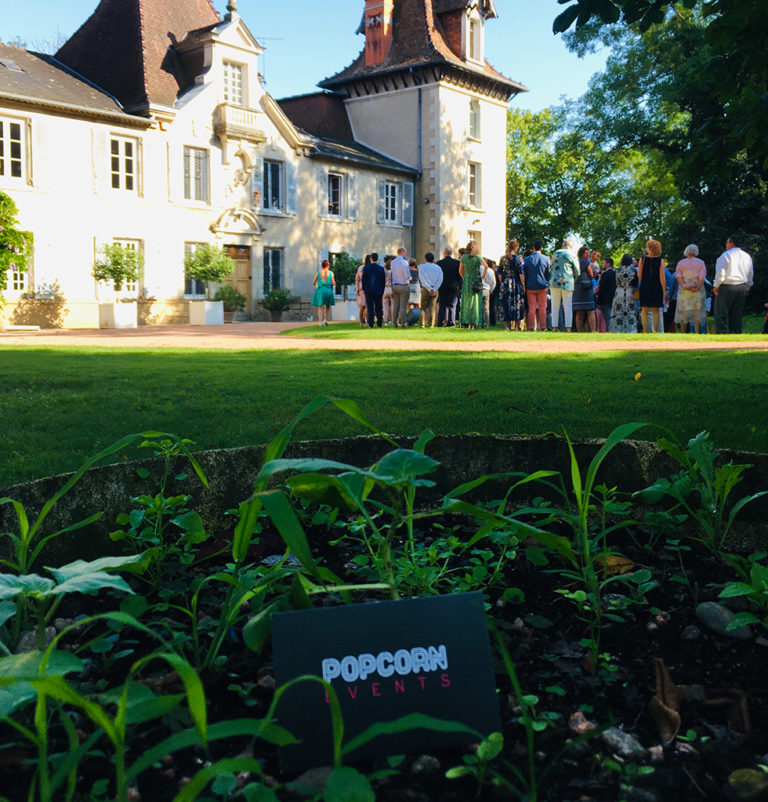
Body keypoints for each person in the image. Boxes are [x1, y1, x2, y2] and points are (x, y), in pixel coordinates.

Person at [713, 235, 753, 334]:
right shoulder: (746, 256)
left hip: (727, 286)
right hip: (741, 286)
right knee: (737, 313)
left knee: (721, 312)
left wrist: (716, 285)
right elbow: (750, 272)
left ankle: (722, 333)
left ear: (732, 243)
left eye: (727, 242)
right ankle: (736, 333)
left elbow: (721, 272)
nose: (726, 245)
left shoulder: (726, 255)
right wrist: (748, 285)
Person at [674, 244, 707, 334]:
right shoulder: (701, 262)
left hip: (684, 290)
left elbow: (678, 276)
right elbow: (702, 277)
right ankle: (697, 332)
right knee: (697, 312)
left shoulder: (680, 263)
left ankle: (683, 332)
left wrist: (684, 285)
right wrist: (697, 287)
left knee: (683, 311)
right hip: (697, 288)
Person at [549, 238, 580, 331]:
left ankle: (554, 326)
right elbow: (577, 270)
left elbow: (550, 268)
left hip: (554, 281)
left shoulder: (555, 253)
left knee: (554, 305)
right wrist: (573, 277)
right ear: (571, 246)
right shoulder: (572, 254)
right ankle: (568, 327)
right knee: (567, 305)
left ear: (563, 245)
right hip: (567, 281)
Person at [638, 239, 666, 333]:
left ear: (650, 248)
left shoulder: (642, 259)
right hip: (656, 286)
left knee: (645, 309)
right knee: (656, 310)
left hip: (645, 286)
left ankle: (645, 330)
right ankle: (655, 330)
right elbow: (662, 277)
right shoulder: (661, 261)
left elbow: (639, 275)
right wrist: (664, 291)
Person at [458, 239, 487, 328]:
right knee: (476, 301)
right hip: (475, 279)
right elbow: (486, 266)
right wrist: (482, 276)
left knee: (466, 301)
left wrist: (465, 278)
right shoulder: (478, 257)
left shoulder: (463, 257)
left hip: (467, 280)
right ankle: (475, 321)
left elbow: (460, 271)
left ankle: (466, 321)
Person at [498, 240, 525, 330]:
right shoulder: (518, 258)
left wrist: (503, 282)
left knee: (506, 303)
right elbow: (521, 273)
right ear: (516, 247)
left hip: (505, 282)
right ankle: (517, 326)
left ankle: (506, 326)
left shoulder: (503, 258)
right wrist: (523, 284)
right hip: (516, 282)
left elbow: (499, 272)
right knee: (516, 303)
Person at [523, 240, 550, 331]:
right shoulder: (546, 259)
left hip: (530, 286)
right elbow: (548, 273)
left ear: (533, 248)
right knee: (542, 308)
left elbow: (525, 273)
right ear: (541, 248)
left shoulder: (527, 259)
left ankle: (531, 326)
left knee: (531, 308)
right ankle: (542, 326)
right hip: (542, 286)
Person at [609, 254, 638, 333]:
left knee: (619, 312)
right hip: (630, 292)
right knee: (630, 312)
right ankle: (630, 330)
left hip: (620, 292)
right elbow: (636, 283)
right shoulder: (634, 270)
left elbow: (616, 282)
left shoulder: (618, 270)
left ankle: (618, 329)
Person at [573, 245, 597, 332]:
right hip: (586, 287)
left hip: (577, 286)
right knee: (590, 310)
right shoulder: (586, 262)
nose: (587, 255)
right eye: (586, 253)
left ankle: (579, 331)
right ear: (582, 254)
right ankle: (593, 330)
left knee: (579, 311)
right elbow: (590, 274)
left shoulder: (575, 261)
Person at [436, 246, 461, 327]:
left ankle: (440, 321)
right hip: (453, 287)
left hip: (442, 286)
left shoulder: (439, 263)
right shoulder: (457, 263)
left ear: (444, 253)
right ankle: (451, 322)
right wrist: (459, 285)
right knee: (452, 306)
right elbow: (459, 276)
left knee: (442, 305)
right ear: (451, 253)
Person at [418, 251, 443, 328]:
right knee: (432, 307)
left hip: (425, 288)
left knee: (423, 308)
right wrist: (434, 288)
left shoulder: (422, 267)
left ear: (425, 259)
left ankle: (422, 324)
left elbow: (422, 279)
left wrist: (429, 288)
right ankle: (431, 324)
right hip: (435, 288)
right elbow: (440, 279)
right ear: (433, 259)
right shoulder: (438, 268)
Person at [362, 251, 386, 328]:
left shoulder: (366, 268)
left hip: (369, 290)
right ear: (377, 258)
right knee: (379, 307)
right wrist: (382, 290)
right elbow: (383, 281)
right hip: (378, 290)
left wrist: (363, 288)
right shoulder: (381, 269)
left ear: (371, 258)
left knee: (370, 308)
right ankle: (379, 323)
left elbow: (364, 279)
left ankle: (370, 324)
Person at [390, 247, 411, 327]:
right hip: (403, 285)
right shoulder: (404, 262)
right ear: (403, 252)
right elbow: (407, 275)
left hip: (395, 285)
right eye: (405, 252)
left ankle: (394, 322)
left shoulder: (393, 262)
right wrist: (410, 278)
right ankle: (403, 323)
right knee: (403, 306)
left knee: (396, 306)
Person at [311, 259, 335, 325]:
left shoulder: (319, 272)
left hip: (320, 290)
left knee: (320, 307)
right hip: (328, 291)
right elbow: (333, 283)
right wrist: (332, 283)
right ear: (328, 265)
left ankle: (320, 322)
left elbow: (313, 282)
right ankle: (325, 319)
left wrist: (317, 286)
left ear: (322, 265)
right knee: (327, 306)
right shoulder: (331, 273)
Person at [595, 256, 616, 330]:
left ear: (608, 264)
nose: (602, 265)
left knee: (607, 317)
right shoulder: (615, 273)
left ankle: (610, 331)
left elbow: (602, 289)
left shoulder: (605, 274)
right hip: (613, 299)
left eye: (603, 263)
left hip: (605, 300)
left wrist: (598, 301)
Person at [481, 257, 497, 327]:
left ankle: (479, 322)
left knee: (479, 307)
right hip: (487, 289)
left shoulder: (478, 269)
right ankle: (486, 323)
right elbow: (493, 283)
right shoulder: (491, 271)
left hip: (478, 289)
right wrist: (491, 290)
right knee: (486, 308)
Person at [355, 255, 370, 327]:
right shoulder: (370, 268)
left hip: (361, 288)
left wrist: (357, 288)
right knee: (368, 306)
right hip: (369, 288)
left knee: (362, 306)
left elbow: (357, 279)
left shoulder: (361, 268)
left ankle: (361, 323)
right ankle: (367, 322)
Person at [382, 255, 393, 324]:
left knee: (385, 306)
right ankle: (392, 320)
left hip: (385, 289)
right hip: (391, 288)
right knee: (393, 305)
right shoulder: (393, 269)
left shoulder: (383, 269)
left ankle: (386, 321)